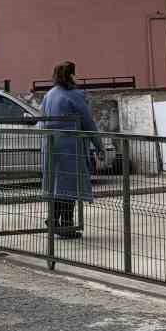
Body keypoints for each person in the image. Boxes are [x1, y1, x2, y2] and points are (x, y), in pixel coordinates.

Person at [40, 61, 105, 239]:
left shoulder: (49, 94)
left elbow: (41, 120)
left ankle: (53, 219)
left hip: (51, 147)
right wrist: (99, 145)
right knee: (70, 187)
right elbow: (88, 122)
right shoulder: (74, 95)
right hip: (70, 148)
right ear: (71, 75)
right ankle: (66, 225)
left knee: (56, 186)